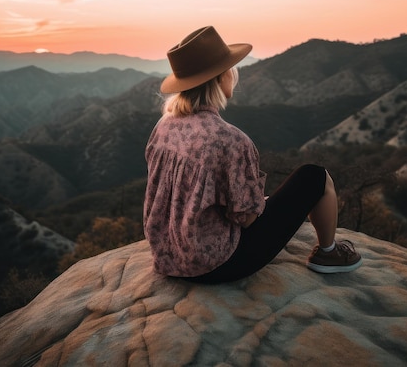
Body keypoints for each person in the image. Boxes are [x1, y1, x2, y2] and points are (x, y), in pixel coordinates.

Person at [143, 26, 362, 284]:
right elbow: (246, 220)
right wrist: (261, 203)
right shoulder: (230, 140)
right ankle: (329, 254)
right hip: (218, 265)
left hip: (169, 257)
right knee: (314, 176)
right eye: (231, 68)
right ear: (220, 77)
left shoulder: (164, 126)